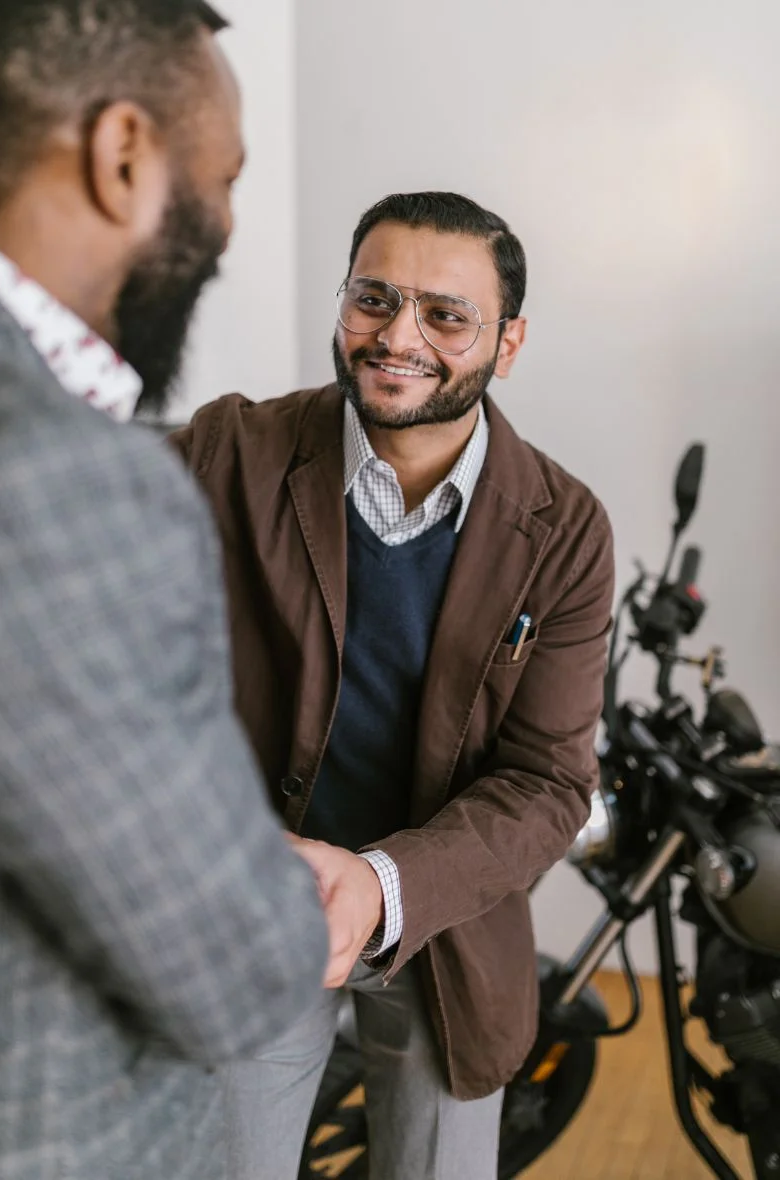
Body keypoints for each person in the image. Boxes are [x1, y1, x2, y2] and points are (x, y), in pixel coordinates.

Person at [171, 190, 616, 1179]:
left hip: (445, 929)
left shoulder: (568, 528)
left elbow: (546, 785)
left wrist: (378, 889)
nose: (396, 337)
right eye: (372, 299)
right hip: (253, 912)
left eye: (444, 314)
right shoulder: (228, 450)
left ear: (506, 343)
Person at [0, 4, 329, 1178]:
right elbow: (229, 963)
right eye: (223, 178)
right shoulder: (59, 476)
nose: (227, 226)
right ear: (122, 155)